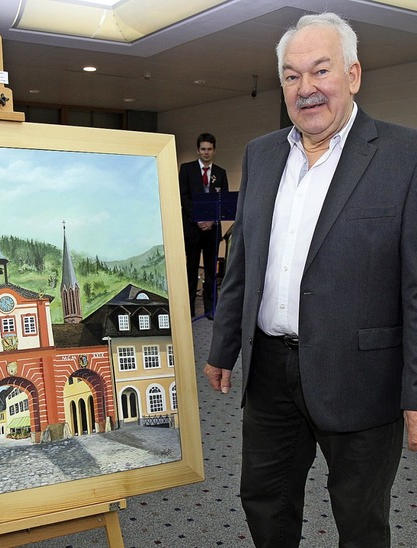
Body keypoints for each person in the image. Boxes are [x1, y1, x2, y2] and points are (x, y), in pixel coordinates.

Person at [204, 12, 417, 548]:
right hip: (269, 371)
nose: (307, 89)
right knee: (265, 502)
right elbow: (244, 262)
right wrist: (224, 345)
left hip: (363, 374)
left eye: (320, 71)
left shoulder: (404, 155)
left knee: (361, 518)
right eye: (292, 76)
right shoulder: (262, 152)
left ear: (354, 74)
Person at [179, 133, 229, 318]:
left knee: (210, 270)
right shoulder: (187, 169)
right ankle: (188, 308)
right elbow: (184, 197)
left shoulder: (220, 173)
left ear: (214, 151)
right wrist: (199, 218)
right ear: (197, 150)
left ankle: (211, 309)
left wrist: (211, 220)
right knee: (191, 268)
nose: (206, 152)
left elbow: (222, 200)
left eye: (209, 149)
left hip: (212, 230)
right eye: (203, 149)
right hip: (193, 228)